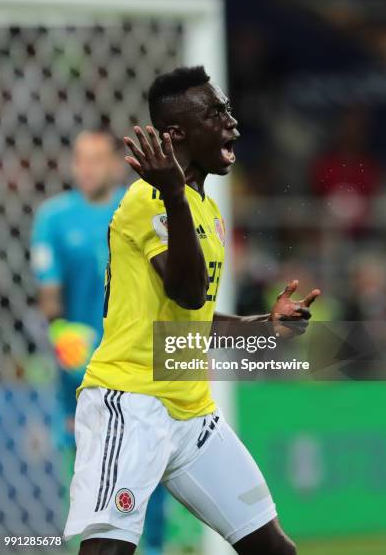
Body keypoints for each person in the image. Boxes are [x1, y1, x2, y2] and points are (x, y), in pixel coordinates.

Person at [63, 67, 320, 555]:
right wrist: (175, 194)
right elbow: (186, 290)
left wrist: (265, 327)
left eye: (227, 110)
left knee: (274, 549)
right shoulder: (148, 199)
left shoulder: (205, 209)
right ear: (177, 133)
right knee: (108, 552)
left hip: (191, 411)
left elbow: (193, 320)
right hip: (131, 402)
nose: (232, 124)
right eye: (216, 113)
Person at [31, 130, 166, 555]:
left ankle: (154, 547)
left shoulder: (137, 208)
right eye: (80, 159)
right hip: (80, 367)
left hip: (138, 361)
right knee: (87, 466)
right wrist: (61, 334)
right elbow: (49, 294)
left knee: (150, 458)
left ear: (114, 164)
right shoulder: (53, 218)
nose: (86, 168)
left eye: (96, 159)